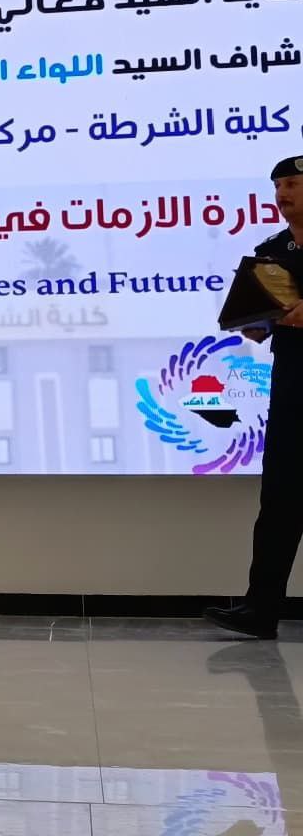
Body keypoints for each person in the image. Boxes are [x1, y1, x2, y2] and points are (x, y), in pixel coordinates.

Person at [205, 155, 303, 640]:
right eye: (278, 186)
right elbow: (261, 316)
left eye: (292, 184)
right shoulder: (271, 251)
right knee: (280, 502)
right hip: (293, 390)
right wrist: (255, 322)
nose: (282, 194)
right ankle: (260, 610)